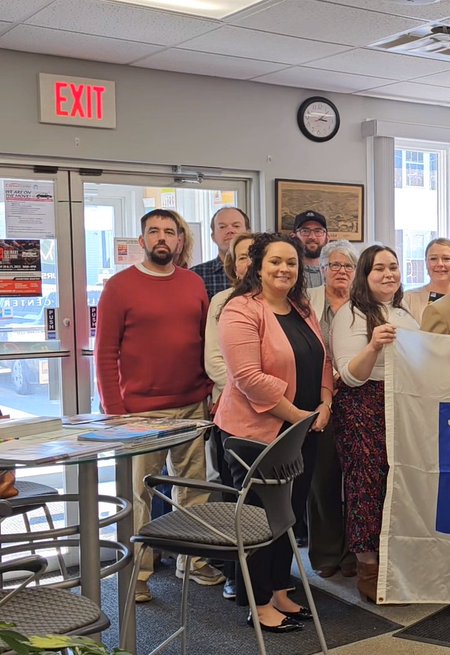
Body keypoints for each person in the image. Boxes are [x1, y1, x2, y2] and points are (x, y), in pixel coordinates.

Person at [96, 208, 221, 603]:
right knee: (139, 496)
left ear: (179, 241)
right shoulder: (119, 286)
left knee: (194, 492)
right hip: (140, 414)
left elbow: (205, 342)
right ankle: (140, 574)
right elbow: (104, 353)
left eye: (169, 231)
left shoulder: (193, 284)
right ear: (142, 241)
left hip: (191, 405)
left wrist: (208, 392)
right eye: (154, 231)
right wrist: (115, 411)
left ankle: (194, 563)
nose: (162, 238)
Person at [216, 233, 333, 632]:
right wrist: (297, 413)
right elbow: (248, 377)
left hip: (303, 429)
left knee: (289, 514)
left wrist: (325, 403)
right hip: (256, 434)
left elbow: (322, 359)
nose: (284, 269)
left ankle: (281, 589)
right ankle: (259, 601)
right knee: (260, 519)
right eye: (275, 262)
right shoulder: (240, 309)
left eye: (292, 263)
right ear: (257, 267)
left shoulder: (301, 308)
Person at [332, 244, 419, 602]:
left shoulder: (405, 314)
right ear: (363, 276)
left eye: (393, 267)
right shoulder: (350, 315)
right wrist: (372, 347)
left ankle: (396, 559)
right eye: (379, 268)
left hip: (402, 404)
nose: (388, 274)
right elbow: (351, 377)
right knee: (366, 485)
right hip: (363, 406)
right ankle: (368, 564)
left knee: (398, 484)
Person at [203, 231, 255, 599]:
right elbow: (214, 362)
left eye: (256, 254)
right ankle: (237, 574)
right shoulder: (222, 301)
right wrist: (250, 390)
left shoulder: (284, 301)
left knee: (266, 502)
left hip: (274, 413)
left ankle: (269, 575)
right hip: (236, 412)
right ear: (232, 264)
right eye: (242, 257)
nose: (249, 262)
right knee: (235, 496)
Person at [305, 239, 358, 579]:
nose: (340, 271)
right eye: (334, 265)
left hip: (358, 399)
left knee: (356, 479)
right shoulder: (306, 303)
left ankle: (354, 551)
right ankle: (325, 553)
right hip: (318, 399)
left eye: (348, 266)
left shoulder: (365, 305)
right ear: (321, 270)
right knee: (321, 478)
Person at [192, 206, 250, 298]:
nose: (230, 231)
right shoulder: (196, 275)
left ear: (248, 233)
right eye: (222, 227)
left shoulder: (261, 270)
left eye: (236, 226)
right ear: (213, 236)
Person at [401, 238, 450, 324]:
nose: (440, 264)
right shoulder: (408, 299)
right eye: (433, 259)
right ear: (426, 262)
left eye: (446, 258)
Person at [291, 210, 329, 289]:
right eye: (305, 231)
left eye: (318, 231)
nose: (312, 237)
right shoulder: (289, 273)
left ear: (327, 238)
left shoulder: (335, 272)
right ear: (293, 237)